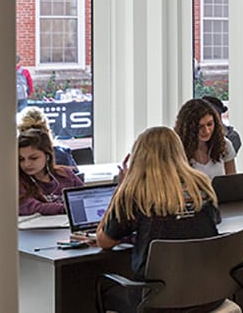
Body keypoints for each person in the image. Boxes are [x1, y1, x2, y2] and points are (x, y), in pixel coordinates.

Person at [85, 126, 223, 312]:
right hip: (209, 296)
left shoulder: (135, 193)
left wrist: (120, 189)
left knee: (103, 290)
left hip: (157, 301)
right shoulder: (202, 185)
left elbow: (104, 241)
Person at [18, 129, 83, 215]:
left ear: (47, 156)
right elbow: (30, 207)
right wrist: (68, 208)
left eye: (34, 158)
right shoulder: (19, 182)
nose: (27, 164)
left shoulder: (65, 174)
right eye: (21, 159)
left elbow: (85, 197)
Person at [175, 98, 236, 178]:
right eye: (200, 127)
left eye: (210, 124)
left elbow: (233, 182)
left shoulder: (225, 145)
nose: (207, 131)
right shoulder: (176, 148)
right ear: (188, 128)